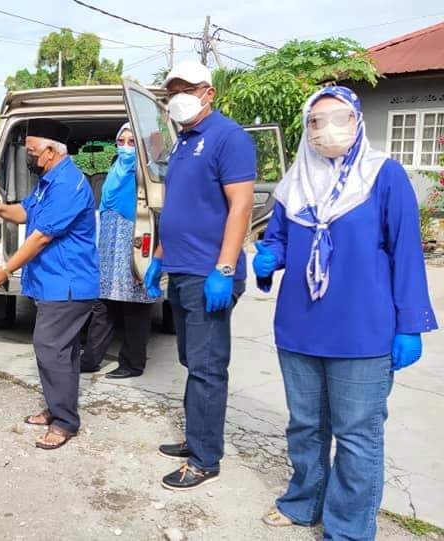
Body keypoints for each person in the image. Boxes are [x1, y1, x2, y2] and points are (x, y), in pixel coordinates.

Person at [252, 86, 438, 540]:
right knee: (305, 427)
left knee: (357, 435)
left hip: (362, 330)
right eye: (316, 121)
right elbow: (278, 237)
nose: (327, 129)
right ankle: (303, 503)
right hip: (299, 326)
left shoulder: (383, 175)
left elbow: (406, 253)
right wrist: (269, 256)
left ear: (358, 122)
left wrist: (410, 324)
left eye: (339, 118)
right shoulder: (296, 180)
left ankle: (349, 529)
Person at [143, 60, 256, 490]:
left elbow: (241, 206)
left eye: (186, 89)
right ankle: (196, 438)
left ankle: (205, 459)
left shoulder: (229, 137)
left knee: (207, 367)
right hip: (180, 268)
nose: (178, 97)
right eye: (172, 91)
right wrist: (159, 256)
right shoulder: (182, 141)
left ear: (209, 93)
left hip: (209, 272)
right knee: (191, 360)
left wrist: (224, 268)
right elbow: (178, 208)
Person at [0, 119, 99, 450]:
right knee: (62, 352)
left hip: (68, 284)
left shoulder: (68, 186)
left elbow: (40, 237)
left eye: (33, 152)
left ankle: (65, 422)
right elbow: (25, 212)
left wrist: (5, 269)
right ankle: (58, 406)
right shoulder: (49, 181)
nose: (29, 157)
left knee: (50, 349)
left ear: (51, 151)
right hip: (52, 281)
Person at [80, 124, 155, 379]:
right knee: (103, 305)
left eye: (132, 142)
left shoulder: (146, 173)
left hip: (135, 245)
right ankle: (91, 359)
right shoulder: (115, 171)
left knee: (135, 306)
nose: (125, 147)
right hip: (109, 248)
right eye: (121, 142)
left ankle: (133, 364)